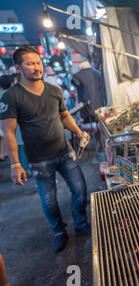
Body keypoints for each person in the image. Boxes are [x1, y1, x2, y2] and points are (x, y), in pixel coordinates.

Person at [0, 46, 92, 253]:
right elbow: (9, 133)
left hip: (64, 151)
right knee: (49, 200)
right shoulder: (11, 97)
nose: (36, 68)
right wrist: (15, 164)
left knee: (80, 190)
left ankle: (80, 222)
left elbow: (65, 115)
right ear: (18, 67)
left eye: (38, 63)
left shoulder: (53, 90)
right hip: (39, 159)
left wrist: (78, 133)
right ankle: (59, 232)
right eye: (30, 64)